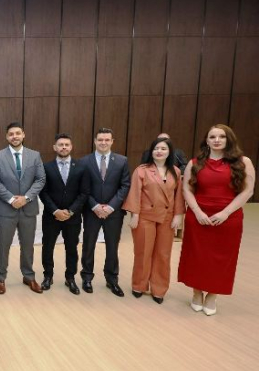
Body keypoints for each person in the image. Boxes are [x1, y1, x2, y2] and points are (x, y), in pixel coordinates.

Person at [178, 124, 255, 315]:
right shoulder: (195, 163)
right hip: (198, 216)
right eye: (212, 137)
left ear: (229, 139)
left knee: (221, 259)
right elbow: (187, 189)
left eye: (222, 136)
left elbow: (247, 191)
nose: (217, 140)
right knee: (196, 256)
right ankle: (196, 292)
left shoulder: (243, 162)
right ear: (207, 140)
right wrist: (197, 212)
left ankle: (212, 295)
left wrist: (225, 213)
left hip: (228, 217)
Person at [122, 137, 185, 304]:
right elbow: (135, 193)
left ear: (169, 152)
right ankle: (139, 285)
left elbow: (178, 195)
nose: (159, 151)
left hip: (167, 217)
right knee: (143, 253)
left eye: (163, 149)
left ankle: (159, 289)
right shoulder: (142, 170)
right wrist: (134, 215)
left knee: (163, 254)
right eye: (156, 148)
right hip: (145, 216)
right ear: (151, 151)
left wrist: (178, 215)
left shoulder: (176, 171)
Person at [0, 122, 46, 295]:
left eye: (18, 133)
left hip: (28, 209)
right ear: (7, 137)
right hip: (6, 209)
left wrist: (26, 198)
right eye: (11, 134)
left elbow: (40, 179)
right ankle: (0, 278)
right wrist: (11, 199)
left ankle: (28, 276)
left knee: (28, 245)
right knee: (3, 245)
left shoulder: (34, 156)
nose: (15, 136)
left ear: (23, 135)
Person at [80, 128, 131, 297]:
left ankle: (112, 279)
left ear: (112, 141)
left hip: (113, 213)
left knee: (112, 246)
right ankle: (87, 277)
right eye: (100, 140)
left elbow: (125, 186)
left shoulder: (122, 161)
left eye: (107, 140)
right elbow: (82, 187)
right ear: (95, 141)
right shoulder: (84, 161)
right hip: (91, 211)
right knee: (88, 245)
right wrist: (94, 206)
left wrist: (111, 207)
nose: (103, 143)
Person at [39, 133, 90, 295]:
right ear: (55, 147)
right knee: (48, 247)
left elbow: (84, 193)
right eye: (60, 145)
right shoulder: (46, 167)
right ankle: (48, 276)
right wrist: (55, 210)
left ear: (71, 147)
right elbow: (43, 192)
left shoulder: (81, 167)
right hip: (51, 216)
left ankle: (70, 278)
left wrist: (70, 211)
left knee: (72, 248)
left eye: (67, 145)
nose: (64, 147)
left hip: (72, 217)